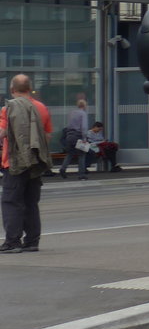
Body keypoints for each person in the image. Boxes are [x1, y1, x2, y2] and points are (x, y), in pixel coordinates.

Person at [0, 74, 54, 253]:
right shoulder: (41, 108)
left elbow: (2, 132)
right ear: (30, 88)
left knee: (11, 202)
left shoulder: (8, 109)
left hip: (14, 163)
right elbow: (47, 136)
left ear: (11, 89)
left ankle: (12, 242)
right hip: (35, 163)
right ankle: (32, 241)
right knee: (31, 202)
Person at [58, 95, 90, 179]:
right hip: (78, 136)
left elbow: (68, 125)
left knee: (70, 154)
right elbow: (84, 127)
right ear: (84, 106)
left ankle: (63, 169)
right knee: (81, 155)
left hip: (69, 135)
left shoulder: (72, 113)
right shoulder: (83, 114)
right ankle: (81, 174)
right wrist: (84, 138)